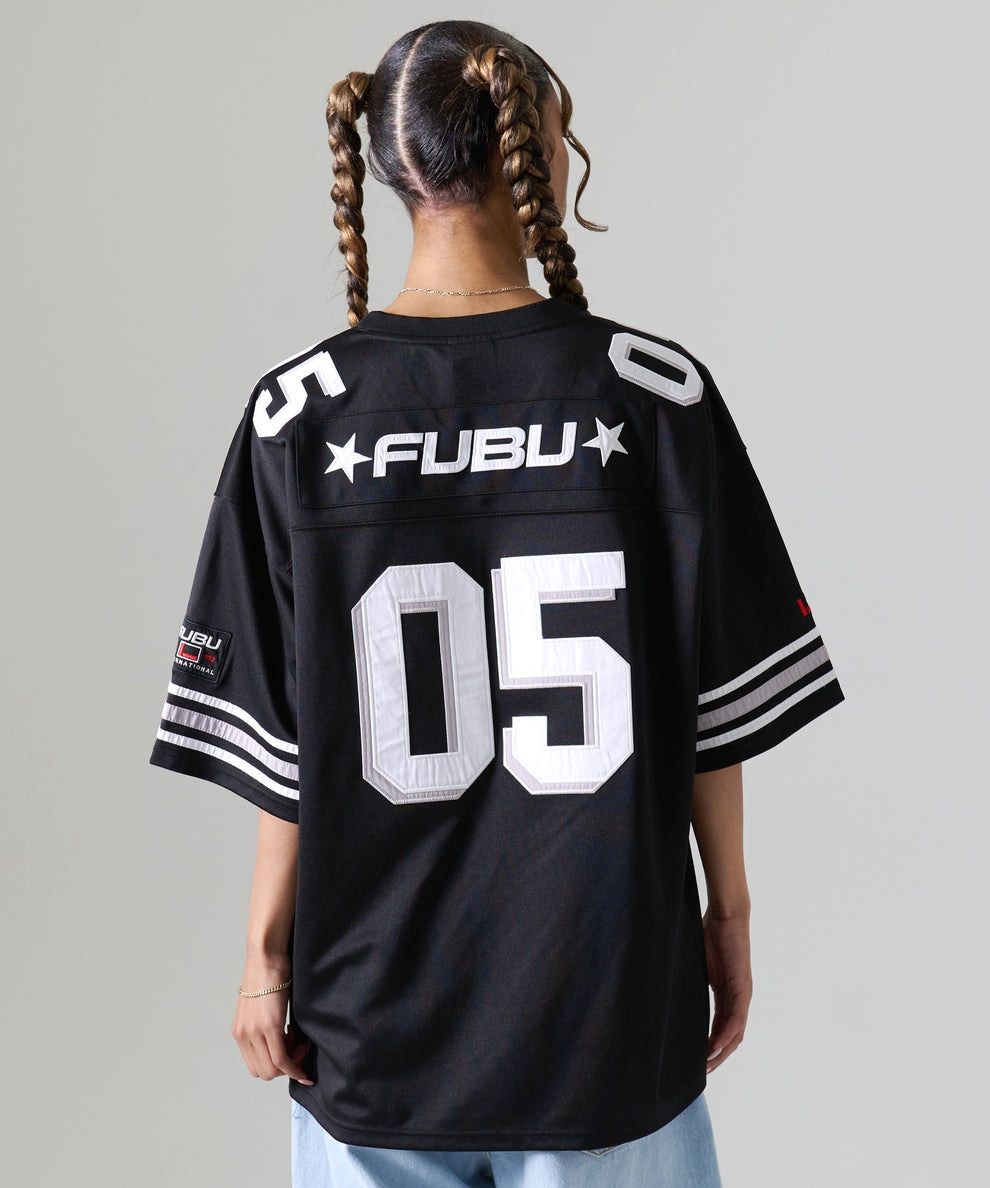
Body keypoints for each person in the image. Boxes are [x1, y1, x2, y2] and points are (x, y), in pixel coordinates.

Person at [149, 19, 845, 1188]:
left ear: (386, 165)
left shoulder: (296, 418)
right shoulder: (657, 399)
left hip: (371, 1027)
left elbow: (287, 748)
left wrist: (263, 962)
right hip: (608, 1015)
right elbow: (712, 716)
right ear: (542, 147)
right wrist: (728, 921)